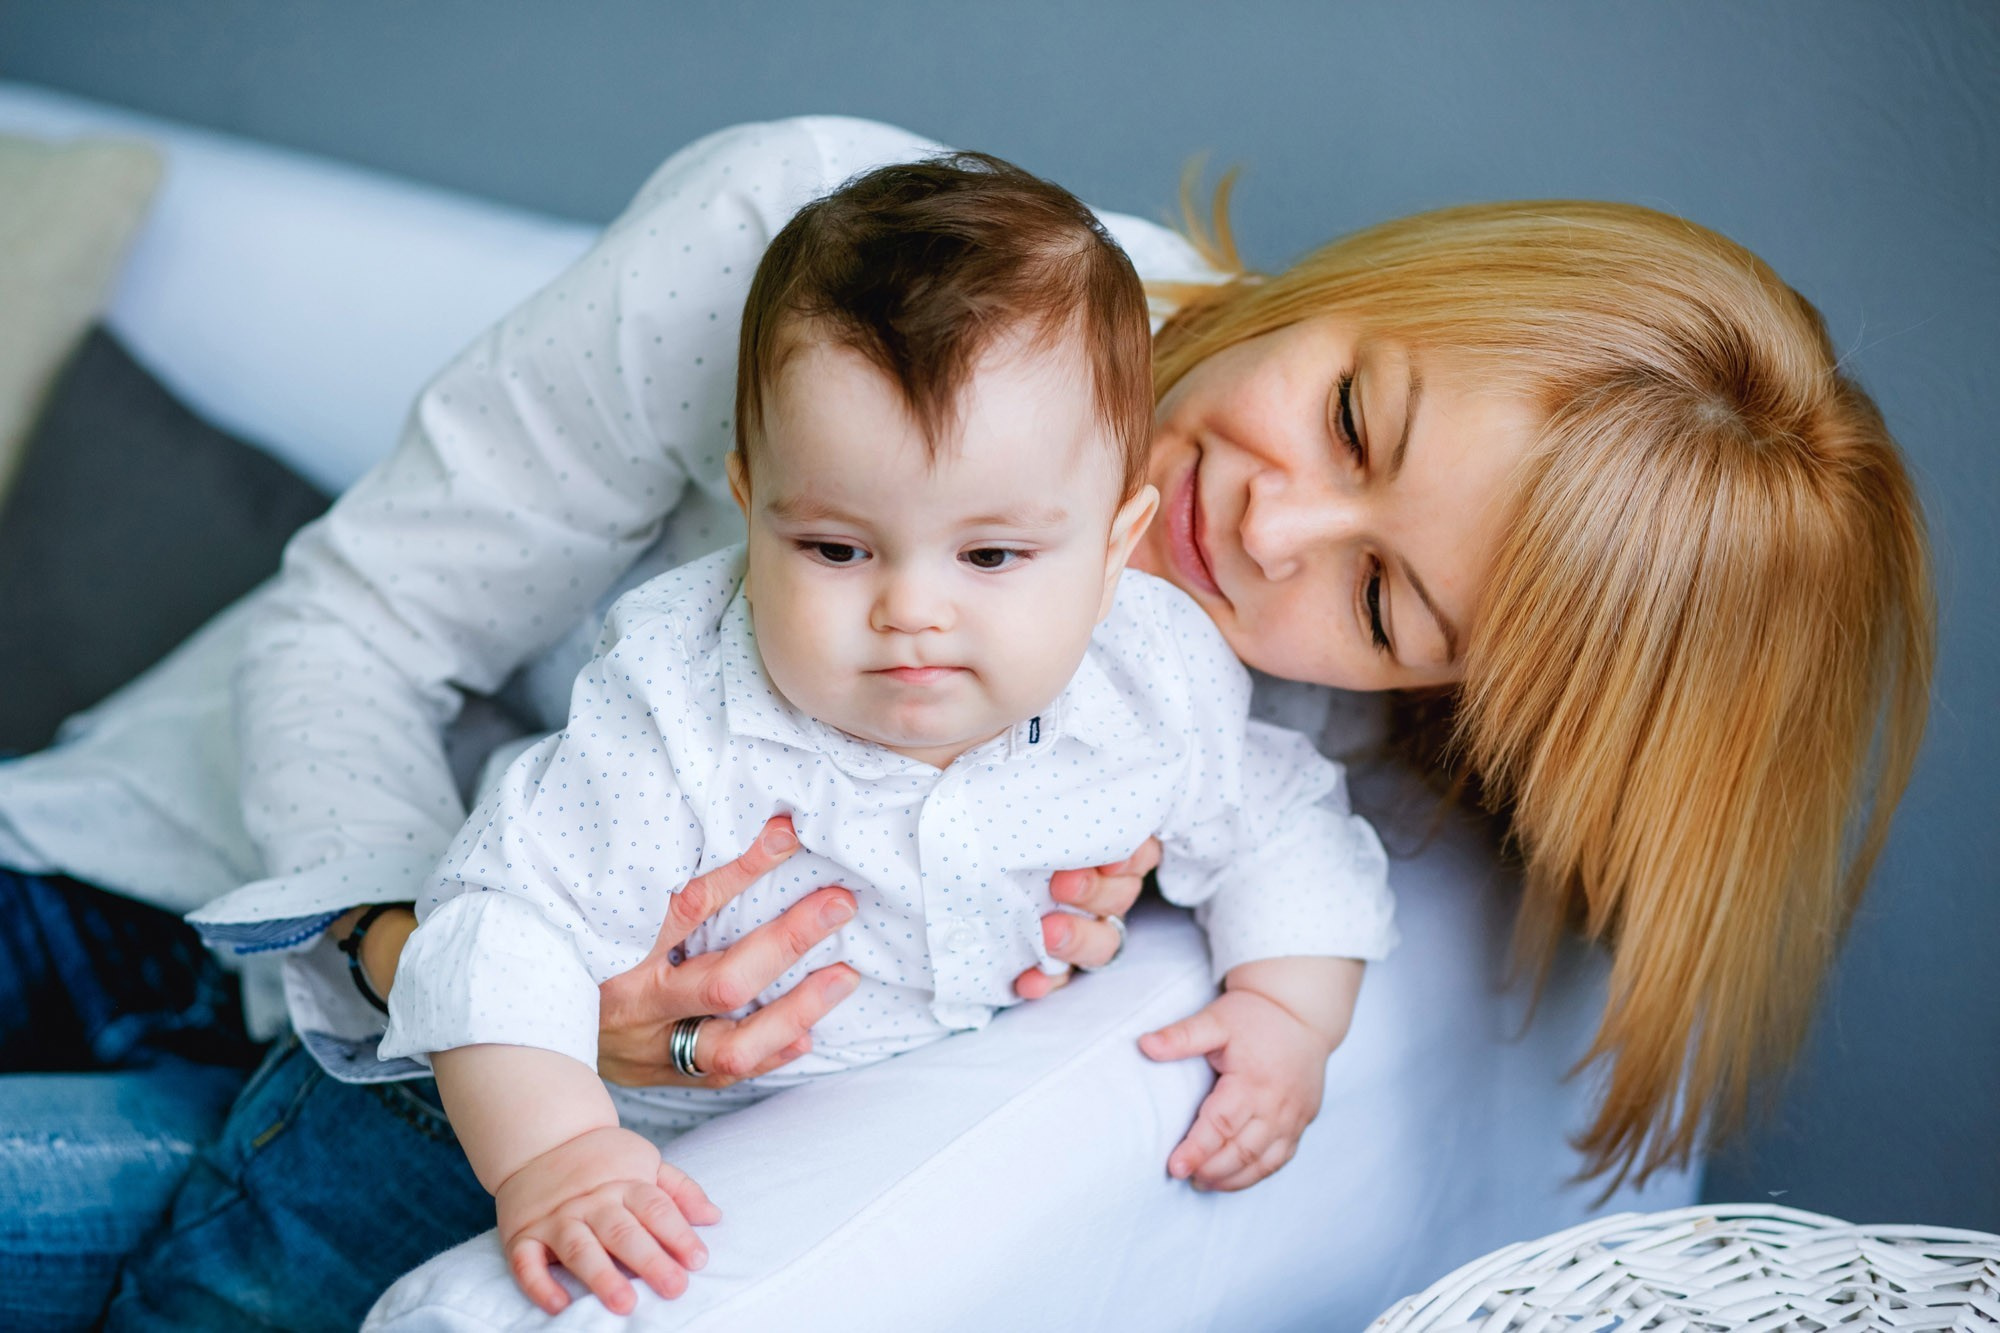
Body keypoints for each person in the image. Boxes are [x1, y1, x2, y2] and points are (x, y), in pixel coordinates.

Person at [0, 111, 1929, 1331]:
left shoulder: (1257, 707)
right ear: (1378, 283)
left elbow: (1282, 858)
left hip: (383, 1115)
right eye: (1352, 415)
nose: (1268, 525)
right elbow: (355, 622)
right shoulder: (820, 255)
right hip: (159, 883)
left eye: (1384, 597)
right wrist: (461, 979)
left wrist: (1244, 984)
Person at [378, 153, 1395, 1316]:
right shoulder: (678, 703)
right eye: (835, 549)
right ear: (751, 502)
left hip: (737, 1164)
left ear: (1115, 547)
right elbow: (505, 918)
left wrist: (1286, 1012)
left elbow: (1275, 819)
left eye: (992, 556)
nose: (911, 609)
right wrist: (550, 1150)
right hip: (456, 1119)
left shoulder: (1156, 679)